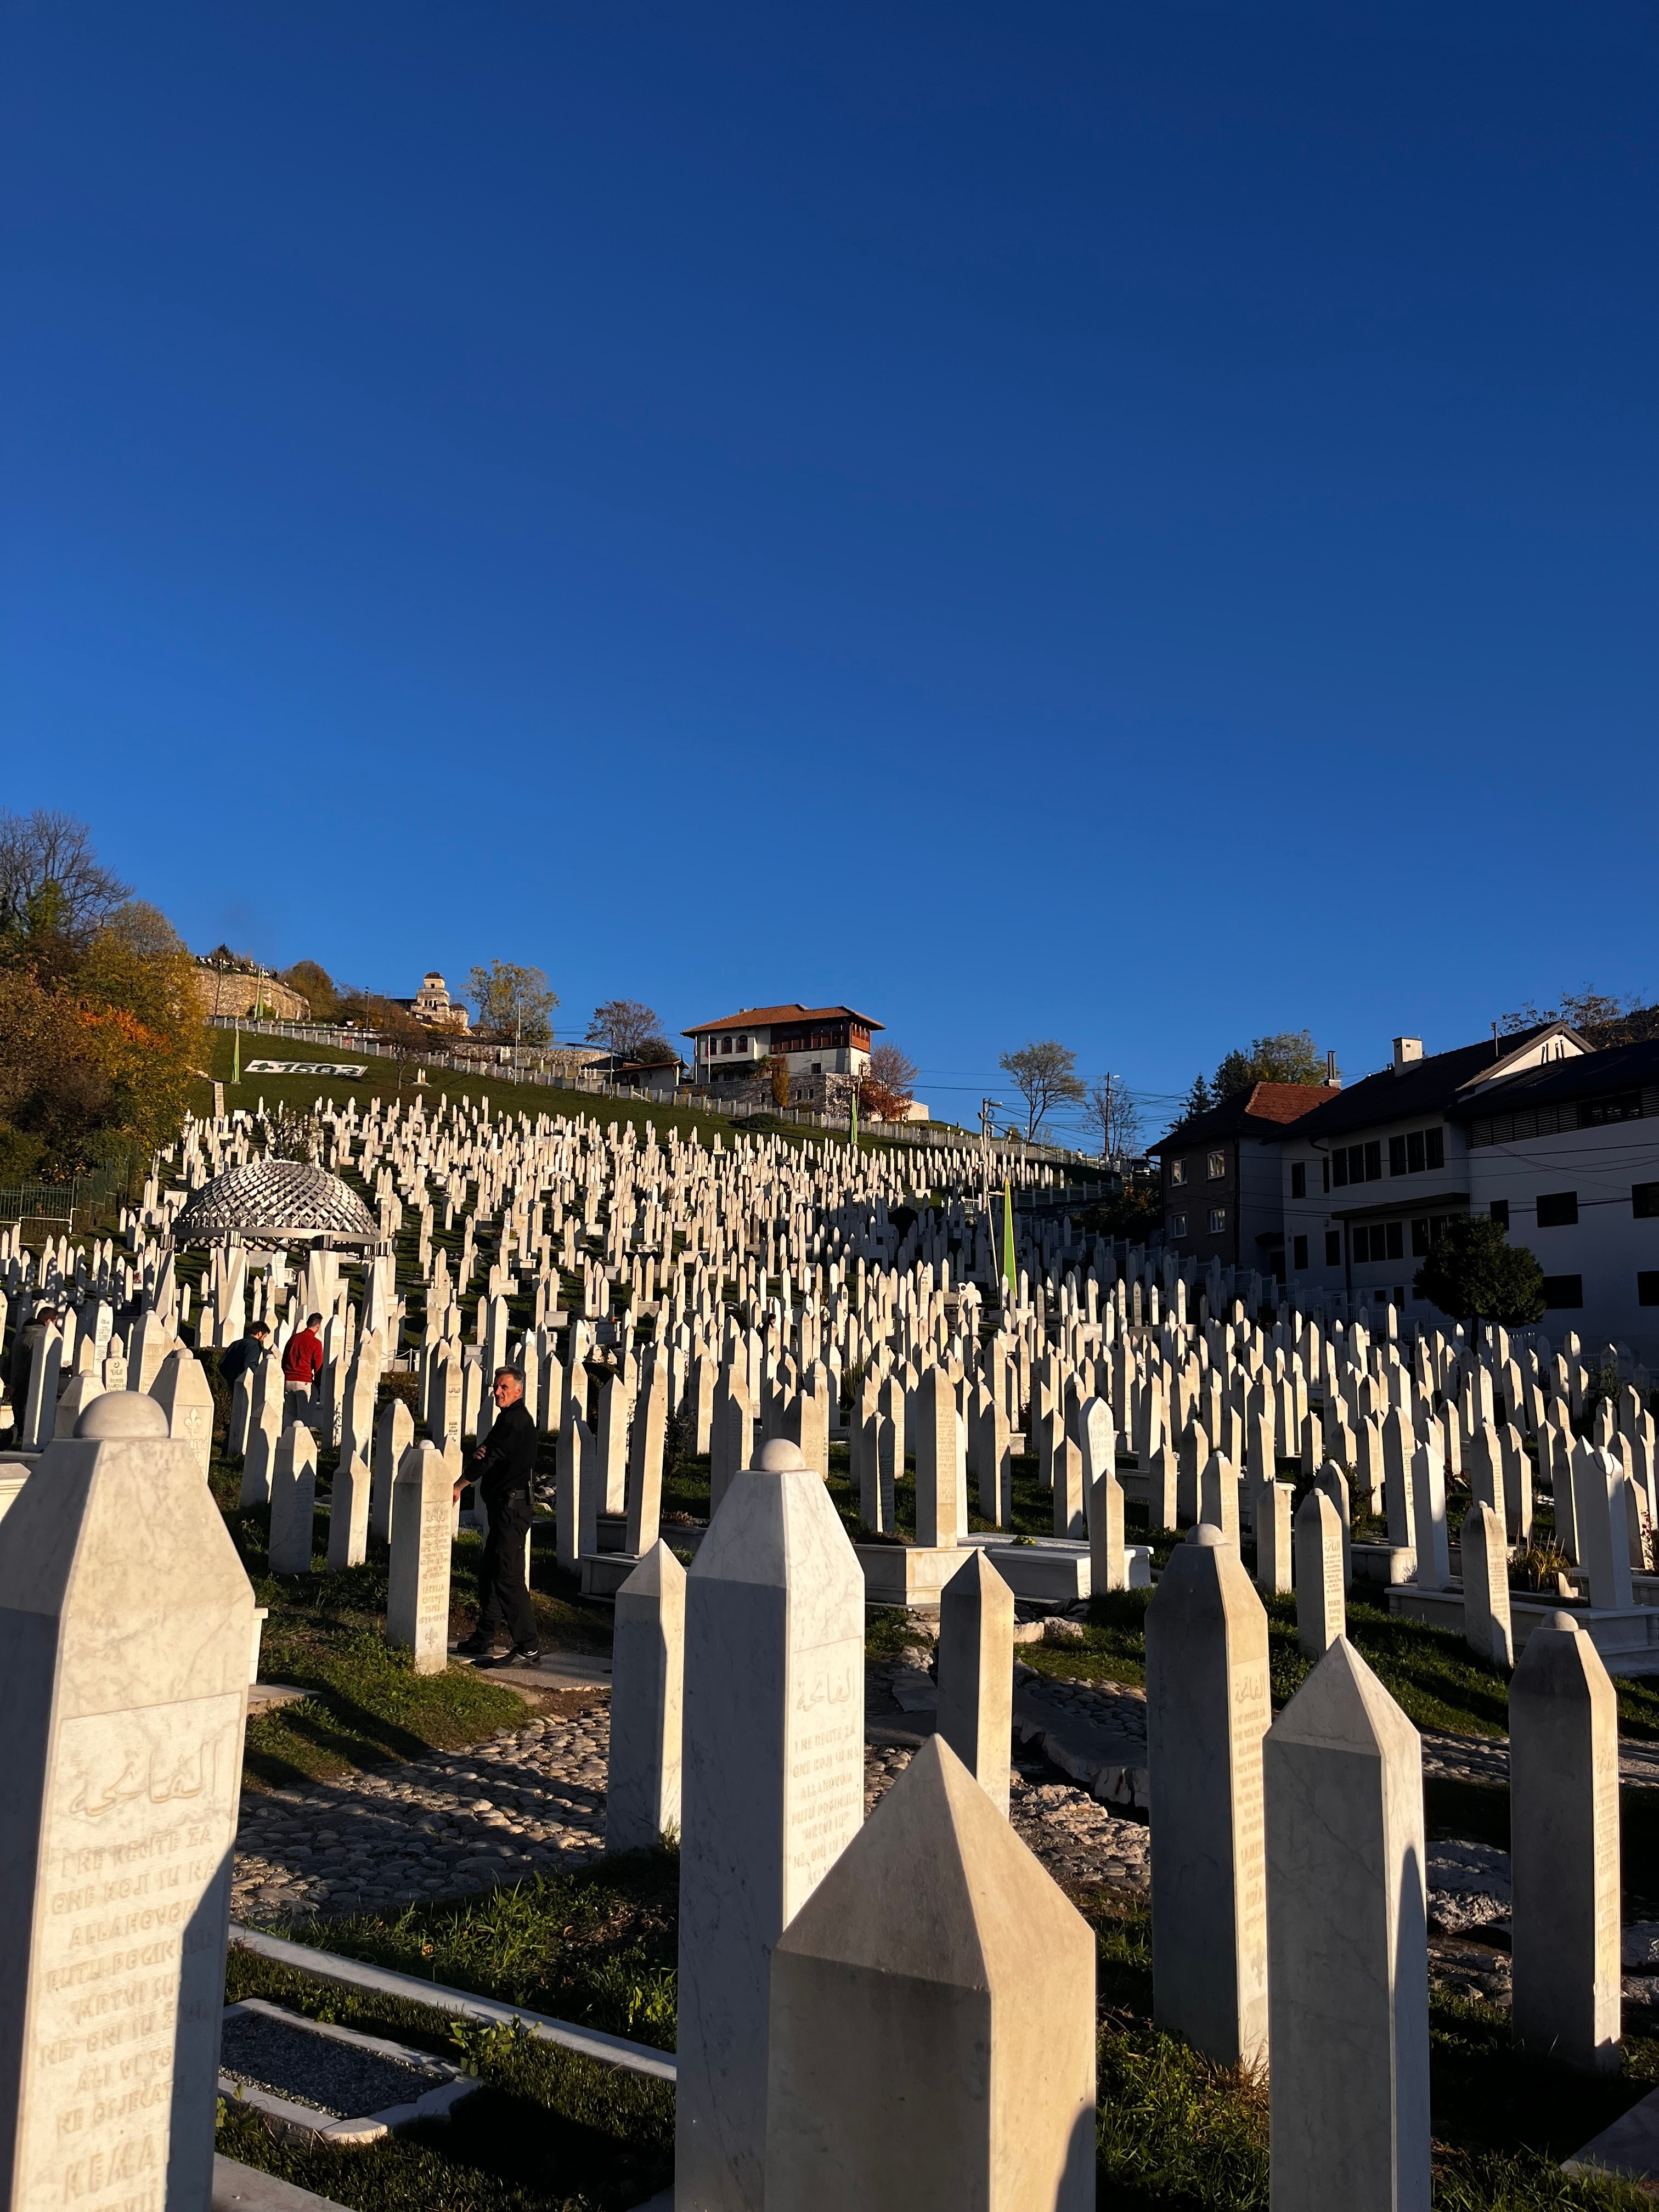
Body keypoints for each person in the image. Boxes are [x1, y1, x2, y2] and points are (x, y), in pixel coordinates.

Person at [455, 1367, 539, 1663]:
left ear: (518, 1391)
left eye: (504, 1387)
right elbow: (486, 1451)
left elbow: (488, 1457)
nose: (497, 1392)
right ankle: (484, 1637)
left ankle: (528, 1647)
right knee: (491, 1572)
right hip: (503, 1508)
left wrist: (459, 1486)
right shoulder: (507, 1419)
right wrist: (481, 1453)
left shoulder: (515, 1421)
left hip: (512, 1509)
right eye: (496, 1386)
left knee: (508, 1576)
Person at [282, 1312, 325, 1424]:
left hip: (288, 1380)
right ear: (318, 1326)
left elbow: (284, 1359)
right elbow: (318, 1366)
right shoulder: (316, 1343)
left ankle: (286, 1434)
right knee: (303, 1416)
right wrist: (317, 1384)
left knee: (290, 1414)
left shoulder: (294, 1338)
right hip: (303, 1381)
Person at [218, 1320, 270, 1391]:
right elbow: (250, 1365)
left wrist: (230, 1377)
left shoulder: (236, 1343)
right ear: (260, 1334)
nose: (263, 1340)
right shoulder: (254, 1346)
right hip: (245, 1383)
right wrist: (258, 1378)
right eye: (264, 1337)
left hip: (232, 1380)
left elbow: (222, 1363)